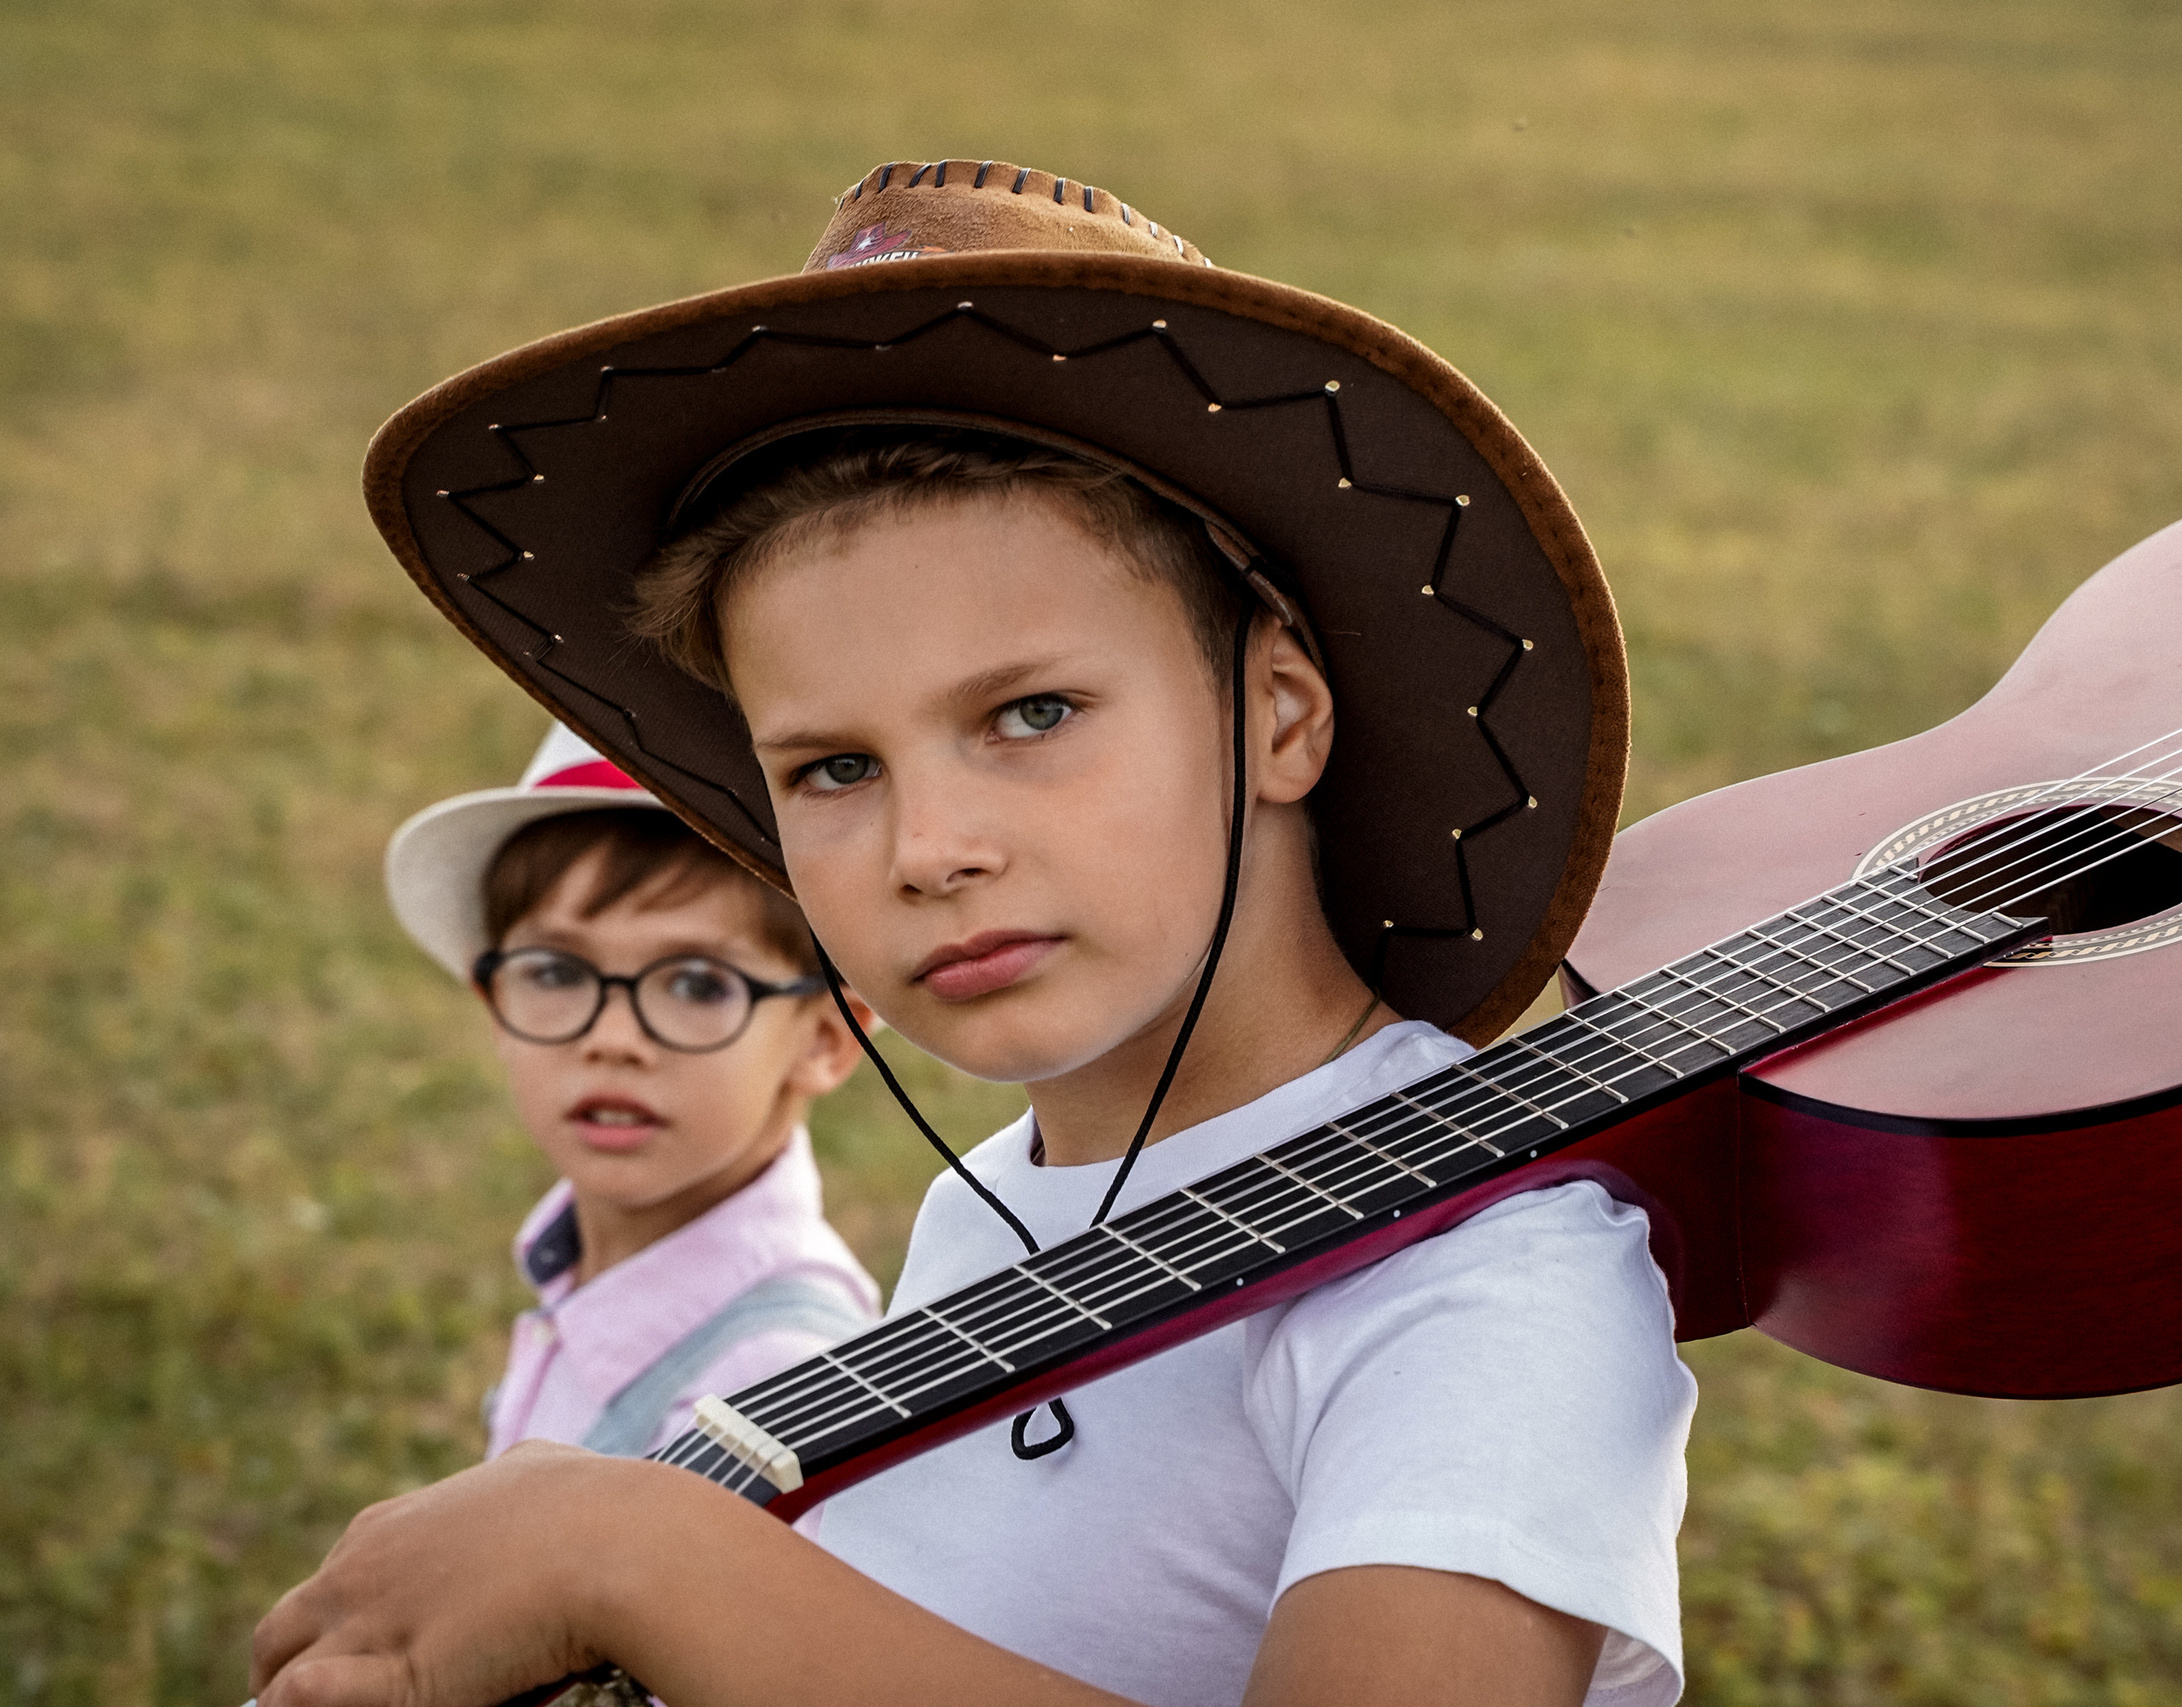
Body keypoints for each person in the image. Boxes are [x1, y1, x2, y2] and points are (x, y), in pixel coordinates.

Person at [256, 161, 1694, 1707]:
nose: (929, 849)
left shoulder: (1482, 1274)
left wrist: (637, 1552)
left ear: (1279, 712)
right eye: (834, 768)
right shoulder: (992, 1204)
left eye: (1032, 712)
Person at [384, 721, 882, 1458]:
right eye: (556, 972)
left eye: (696, 984)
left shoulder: (773, 1382)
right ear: (495, 1002)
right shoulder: (582, 1263)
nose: (612, 1037)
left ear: (825, 1040)